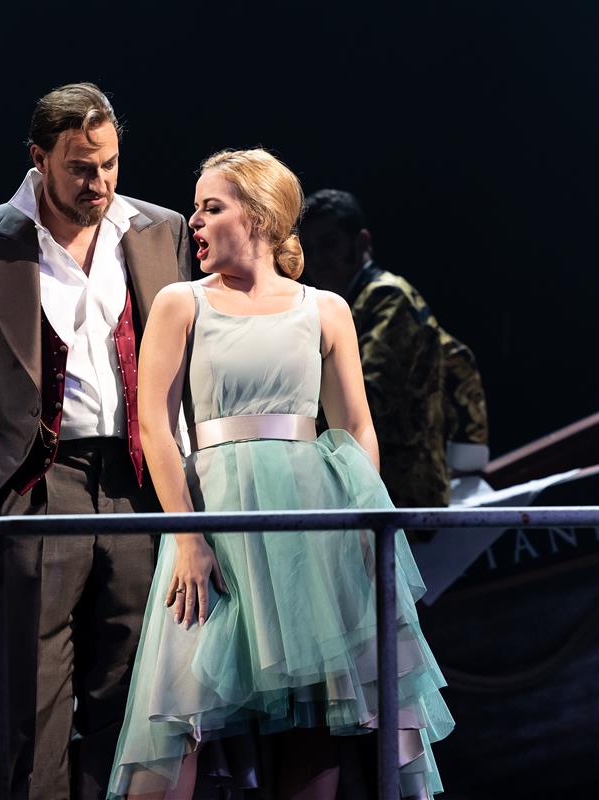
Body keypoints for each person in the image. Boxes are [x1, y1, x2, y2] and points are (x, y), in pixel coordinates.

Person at [106, 150, 454, 800]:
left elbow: (356, 427)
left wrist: (362, 526)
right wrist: (187, 537)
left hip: (308, 529)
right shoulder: (183, 303)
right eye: (196, 208)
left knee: (315, 716)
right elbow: (155, 425)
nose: (194, 221)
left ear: (260, 216)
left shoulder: (325, 309)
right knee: (176, 714)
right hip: (215, 521)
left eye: (212, 207)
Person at [0, 83, 191, 800]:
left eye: (109, 164)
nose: (98, 182)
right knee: (31, 698)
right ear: (38, 159)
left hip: (136, 482)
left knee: (129, 691)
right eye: (79, 167)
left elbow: (186, 366)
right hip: (38, 483)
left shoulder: (158, 230)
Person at [300, 190, 488, 510]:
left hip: (400, 489)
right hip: (371, 481)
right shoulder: (349, 302)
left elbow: (366, 397)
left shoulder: (387, 297)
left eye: (329, 243)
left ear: (361, 242)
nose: (317, 259)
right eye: (310, 248)